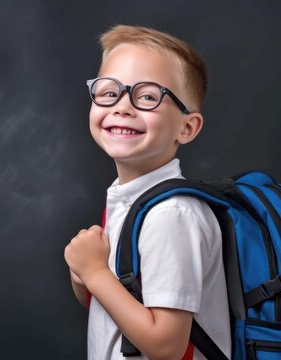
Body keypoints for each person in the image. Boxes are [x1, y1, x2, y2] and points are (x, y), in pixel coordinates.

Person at [64, 25, 231, 359]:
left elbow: (166, 346)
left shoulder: (172, 215)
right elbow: (113, 306)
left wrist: (95, 272)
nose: (123, 106)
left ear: (187, 127)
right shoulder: (129, 199)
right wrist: (85, 276)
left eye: (148, 96)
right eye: (109, 92)